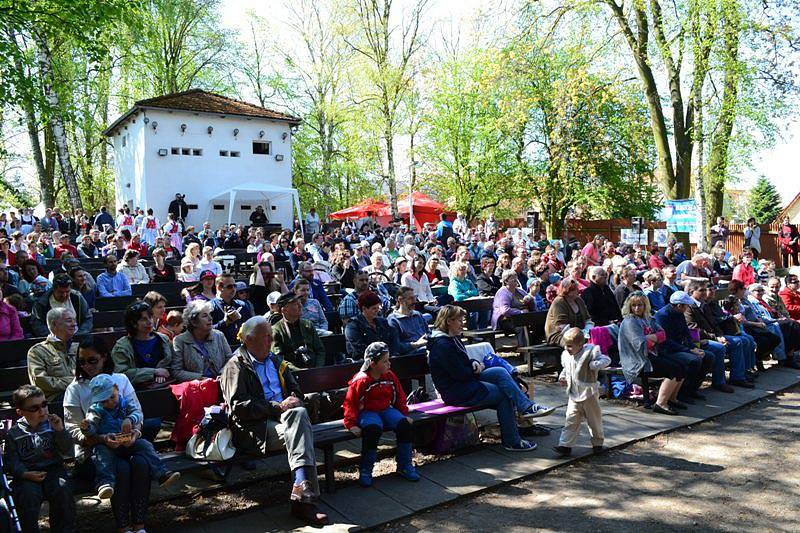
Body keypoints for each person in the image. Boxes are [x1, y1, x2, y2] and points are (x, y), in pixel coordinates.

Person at [220, 316, 328, 525]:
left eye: (271, 336)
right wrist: (277, 407)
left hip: (287, 421)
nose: (270, 341)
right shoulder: (235, 366)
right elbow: (239, 408)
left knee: (298, 418)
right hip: (256, 429)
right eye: (265, 337)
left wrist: (293, 400)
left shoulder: (275, 360)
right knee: (300, 424)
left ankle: (301, 489)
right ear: (248, 340)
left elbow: (295, 389)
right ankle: (304, 502)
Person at [63, 336, 159, 531]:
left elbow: (137, 413)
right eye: (82, 361)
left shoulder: (120, 380)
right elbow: (72, 429)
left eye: (92, 360)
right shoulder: (75, 388)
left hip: (125, 445)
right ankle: (123, 526)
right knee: (121, 468)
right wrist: (99, 438)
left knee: (140, 462)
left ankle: (139, 525)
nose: (87, 365)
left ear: (104, 357)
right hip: (93, 452)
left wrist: (135, 432)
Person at [428, 305, 547, 452]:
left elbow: (464, 363)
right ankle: (512, 441)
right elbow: (459, 374)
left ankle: (527, 407)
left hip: (467, 382)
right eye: (459, 320)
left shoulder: (452, 339)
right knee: (504, 395)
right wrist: (475, 369)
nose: (463, 323)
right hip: (457, 391)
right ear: (448, 322)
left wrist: (474, 363)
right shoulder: (442, 345)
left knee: (499, 371)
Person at [81, 375, 180, 500]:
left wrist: (129, 419)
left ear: (117, 389)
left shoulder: (125, 403)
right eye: (104, 401)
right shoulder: (95, 410)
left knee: (145, 445)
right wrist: (87, 428)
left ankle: (161, 473)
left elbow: (137, 413)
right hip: (108, 443)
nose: (110, 403)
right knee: (102, 455)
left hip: (127, 441)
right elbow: (92, 428)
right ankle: (105, 483)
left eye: (112, 397)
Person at [343, 342, 420, 487]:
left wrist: (403, 413)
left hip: (386, 409)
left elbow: (399, 395)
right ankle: (366, 470)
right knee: (372, 430)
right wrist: (351, 423)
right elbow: (350, 403)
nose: (389, 364)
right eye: (385, 361)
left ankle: (405, 465)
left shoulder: (389, 376)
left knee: (404, 425)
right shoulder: (361, 380)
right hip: (367, 412)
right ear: (372, 363)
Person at [4, 384, 75, 533]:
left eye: (44, 405)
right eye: (34, 408)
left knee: (62, 489)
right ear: (20, 412)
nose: (42, 411)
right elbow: (11, 461)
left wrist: (60, 431)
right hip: (27, 475)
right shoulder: (14, 433)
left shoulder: (52, 426)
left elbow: (67, 450)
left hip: (53, 470)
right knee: (27, 496)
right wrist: (24, 474)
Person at [618, 292, 686, 415]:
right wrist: (654, 338)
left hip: (652, 354)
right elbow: (639, 344)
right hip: (638, 359)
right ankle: (660, 404)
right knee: (673, 370)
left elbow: (663, 335)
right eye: (634, 305)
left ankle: (672, 398)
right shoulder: (629, 322)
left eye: (640, 305)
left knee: (682, 366)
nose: (637, 308)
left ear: (645, 306)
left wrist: (649, 337)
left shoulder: (648, 319)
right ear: (629, 306)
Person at [553, 328, 610, 457]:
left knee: (594, 420)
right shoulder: (567, 356)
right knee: (571, 419)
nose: (567, 348)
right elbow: (566, 369)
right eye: (565, 345)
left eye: (570, 346)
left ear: (580, 345)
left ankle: (598, 443)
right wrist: (562, 377)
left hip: (589, 393)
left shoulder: (590, 353)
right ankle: (565, 445)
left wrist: (596, 364)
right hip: (573, 394)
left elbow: (606, 360)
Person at [654, 291, 712, 403]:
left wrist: (694, 347)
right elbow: (666, 341)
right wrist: (689, 350)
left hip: (680, 347)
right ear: (679, 305)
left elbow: (686, 333)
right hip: (667, 350)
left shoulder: (679, 313)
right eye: (686, 306)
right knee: (694, 361)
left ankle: (692, 389)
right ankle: (682, 393)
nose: (687, 308)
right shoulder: (662, 316)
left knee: (709, 356)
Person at [111, 302, 174, 387]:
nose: (149, 322)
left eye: (150, 317)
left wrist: (164, 371)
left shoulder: (163, 339)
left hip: (164, 387)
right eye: (144, 319)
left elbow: (174, 365)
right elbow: (121, 374)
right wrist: (154, 372)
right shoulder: (122, 347)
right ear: (133, 323)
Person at [172, 301, 233, 382]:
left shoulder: (219, 336)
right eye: (205, 316)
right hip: (197, 388)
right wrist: (201, 378)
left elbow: (230, 360)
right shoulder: (180, 341)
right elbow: (176, 371)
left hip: (222, 383)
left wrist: (222, 374)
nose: (210, 318)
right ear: (194, 322)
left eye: (210, 314)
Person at [27, 308, 78, 402]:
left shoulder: (78, 347)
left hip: (81, 392)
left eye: (74, 320)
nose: (74, 324)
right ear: (54, 324)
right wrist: (74, 382)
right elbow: (40, 381)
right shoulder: (37, 351)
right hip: (56, 398)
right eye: (69, 320)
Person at [271, 292, 326, 370]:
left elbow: (320, 351)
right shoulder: (276, 330)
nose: (300, 306)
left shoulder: (307, 325)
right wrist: (298, 371)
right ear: (284, 310)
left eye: (299, 303)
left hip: (314, 370)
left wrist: (318, 369)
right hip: (291, 375)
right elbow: (279, 359)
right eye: (296, 304)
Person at [345, 291, 407, 359]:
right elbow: (360, 348)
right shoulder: (353, 326)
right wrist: (380, 357)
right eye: (374, 308)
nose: (377, 311)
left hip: (386, 359)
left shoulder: (383, 322)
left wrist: (394, 355)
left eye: (378, 308)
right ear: (364, 309)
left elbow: (393, 340)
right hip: (363, 362)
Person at [210, 273, 253, 346]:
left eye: (234, 286)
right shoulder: (210, 306)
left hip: (242, 348)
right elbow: (206, 331)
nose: (233, 289)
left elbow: (251, 327)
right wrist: (225, 322)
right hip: (220, 348)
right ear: (219, 287)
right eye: (230, 286)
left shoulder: (242, 305)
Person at [545, 278, 590, 346]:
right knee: (577, 344)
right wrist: (578, 335)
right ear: (567, 290)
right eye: (574, 289)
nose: (578, 291)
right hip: (560, 335)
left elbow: (587, 318)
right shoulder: (559, 302)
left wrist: (587, 330)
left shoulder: (579, 300)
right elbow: (561, 326)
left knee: (597, 337)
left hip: (581, 333)